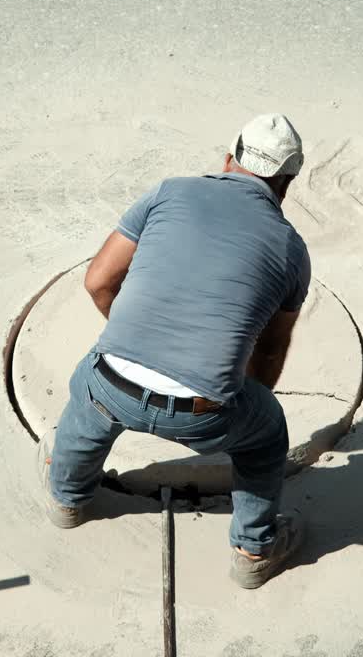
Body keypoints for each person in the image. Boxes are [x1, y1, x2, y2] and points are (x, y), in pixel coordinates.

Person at [39, 113, 312, 589]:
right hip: (203, 414)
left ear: (228, 159)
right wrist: (242, 403)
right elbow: (270, 350)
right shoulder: (292, 250)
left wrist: (136, 343)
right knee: (267, 431)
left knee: (90, 391)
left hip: (113, 385)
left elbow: (98, 281)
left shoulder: (170, 192)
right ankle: (253, 550)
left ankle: (67, 498)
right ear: (286, 183)